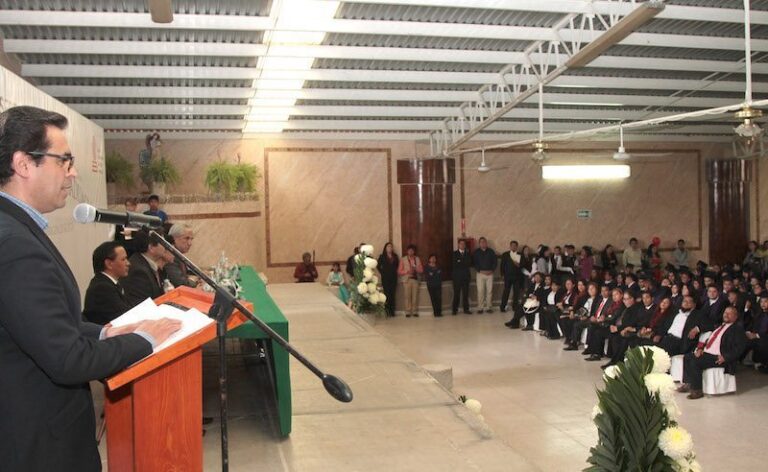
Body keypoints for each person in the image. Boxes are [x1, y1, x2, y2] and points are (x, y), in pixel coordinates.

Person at [0, 106, 181, 470]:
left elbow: (39, 327)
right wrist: (146, 339)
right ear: (23, 164)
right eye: (64, 160)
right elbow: (67, 360)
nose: (73, 172)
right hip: (41, 446)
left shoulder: (16, 228)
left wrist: (106, 332)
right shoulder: (14, 244)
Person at [678, 307, 746, 399]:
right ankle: (689, 383)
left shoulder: (737, 329)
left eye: (729, 313)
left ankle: (697, 390)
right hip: (707, 353)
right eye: (725, 312)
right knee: (687, 357)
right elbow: (709, 340)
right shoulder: (719, 326)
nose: (726, 315)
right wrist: (701, 349)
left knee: (695, 361)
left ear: (735, 316)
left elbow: (739, 348)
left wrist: (725, 357)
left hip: (719, 356)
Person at [83, 241, 132, 325]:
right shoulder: (102, 288)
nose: (128, 263)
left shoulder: (110, 283)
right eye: (123, 259)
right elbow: (124, 317)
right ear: (109, 264)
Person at [121, 228, 168, 306]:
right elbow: (144, 305)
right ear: (151, 248)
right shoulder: (138, 272)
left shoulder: (146, 263)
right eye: (163, 243)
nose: (166, 246)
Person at [163, 223, 198, 288]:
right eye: (186, 238)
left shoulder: (179, 255)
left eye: (191, 239)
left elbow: (185, 273)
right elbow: (181, 283)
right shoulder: (169, 256)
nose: (190, 243)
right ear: (174, 238)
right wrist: (192, 280)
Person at [499, 240, 524, 315]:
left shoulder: (520, 255)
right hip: (507, 276)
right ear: (510, 246)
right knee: (506, 291)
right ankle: (503, 306)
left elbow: (522, 265)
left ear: (516, 247)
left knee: (516, 292)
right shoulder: (505, 254)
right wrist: (502, 274)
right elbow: (502, 265)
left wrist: (518, 265)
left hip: (517, 276)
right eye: (512, 245)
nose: (513, 247)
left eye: (515, 246)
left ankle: (515, 307)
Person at [398, 244, 423, 318]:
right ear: (407, 251)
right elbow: (399, 271)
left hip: (415, 280)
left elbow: (421, 270)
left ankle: (415, 311)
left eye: (412, 250)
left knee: (415, 297)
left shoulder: (417, 259)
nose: (411, 252)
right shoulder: (403, 259)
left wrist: (416, 269)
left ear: (414, 251)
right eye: (409, 250)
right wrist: (407, 271)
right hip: (407, 280)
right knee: (407, 296)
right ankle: (407, 312)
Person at [473, 237, 497, 314]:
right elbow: (474, 263)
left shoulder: (491, 252)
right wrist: (481, 270)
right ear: (479, 244)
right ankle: (480, 307)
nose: (483, 243)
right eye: (481, 242)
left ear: (486, 243)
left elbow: (495, 262)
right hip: (480, 273)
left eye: (484, 242)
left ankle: (489, 307)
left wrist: (491, 270)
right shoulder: (476, 252)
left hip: (490, 273)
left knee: (489, 291)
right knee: (480, 291)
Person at [377, 242, 399, 317]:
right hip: (385, 278)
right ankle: (387, 311)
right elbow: (378, 266)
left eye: (391, 247)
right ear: (385, 248)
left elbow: (397, 266)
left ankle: (392, 311)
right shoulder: (382, 256)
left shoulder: (395, 256)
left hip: (393, 278)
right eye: (388, 246)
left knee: (392, 294)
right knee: (386, 294)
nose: (390, 248)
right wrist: (382, 272)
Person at [452, 239, 472, 315]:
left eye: (464, 244)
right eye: (461, 244)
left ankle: (466, 309)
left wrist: (460, 261)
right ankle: (454, 310)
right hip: (457, 278)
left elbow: (469, 263)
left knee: (465, 294)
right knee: (456, 294)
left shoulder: (468, 253)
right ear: (458, 245)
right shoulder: (454, 254)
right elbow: (455, 264)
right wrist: (462, 262)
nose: (462, 245)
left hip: (466, 277)